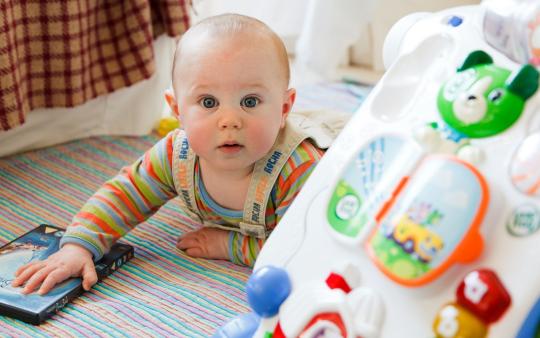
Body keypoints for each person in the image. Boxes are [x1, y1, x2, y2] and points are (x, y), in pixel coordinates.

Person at [11, 14, 326, 295]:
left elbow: (305, 250)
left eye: (250, 101)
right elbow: (125, 194)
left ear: (284, 108)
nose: (230, 120)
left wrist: (228, 244)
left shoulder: (300, 171)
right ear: (177, 110)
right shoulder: (178, 153)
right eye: (208, 102)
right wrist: (79, 245)